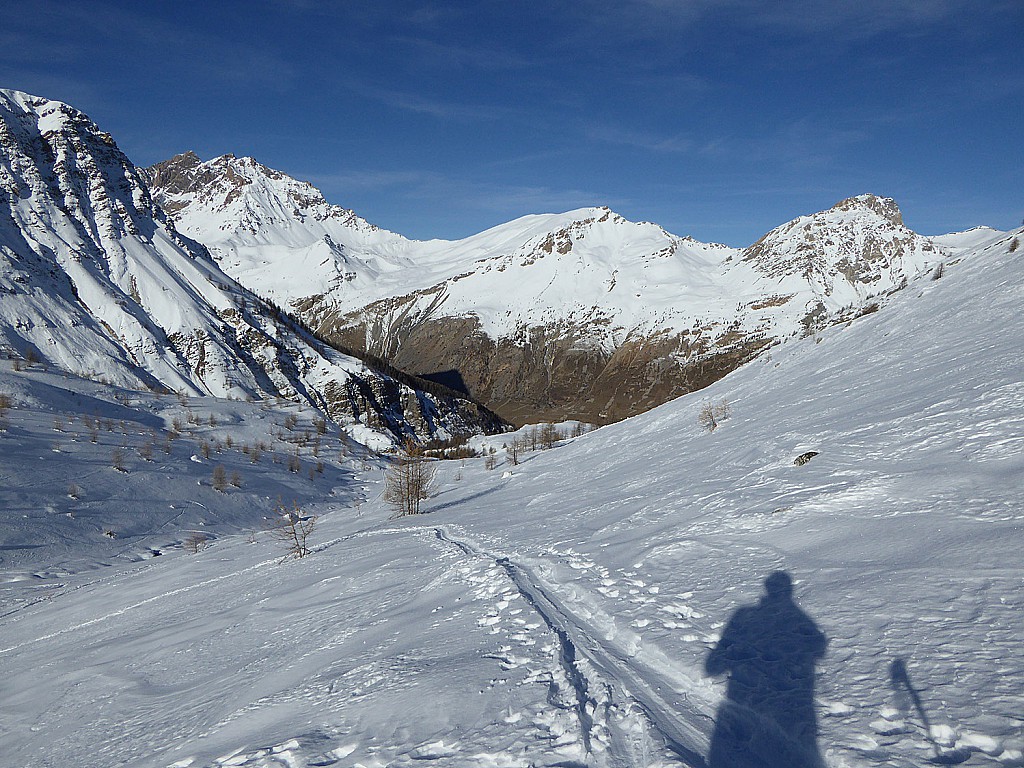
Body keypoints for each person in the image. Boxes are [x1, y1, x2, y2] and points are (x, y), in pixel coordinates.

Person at [705, 571, 827, 768]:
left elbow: (713, 666)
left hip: (755, 692)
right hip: (794, 699)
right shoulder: (800, 619)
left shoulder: (746, 615)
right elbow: (819, 646)